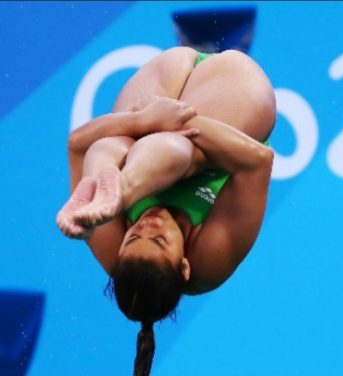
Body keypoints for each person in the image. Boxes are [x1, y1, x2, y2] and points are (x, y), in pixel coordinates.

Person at [56, 47, 275, 376]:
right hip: (227, 103)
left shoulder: (109, 247)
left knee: (107, 149)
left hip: (159, 91)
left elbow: (77, 145)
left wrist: (141, 121)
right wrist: (177, 120)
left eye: (133, 236)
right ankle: (125, 186)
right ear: (184, 266)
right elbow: (258, 162)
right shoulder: (209, 262)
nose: (147, 224)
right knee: (179, 151)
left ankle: (117, 180)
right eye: (158, 240)